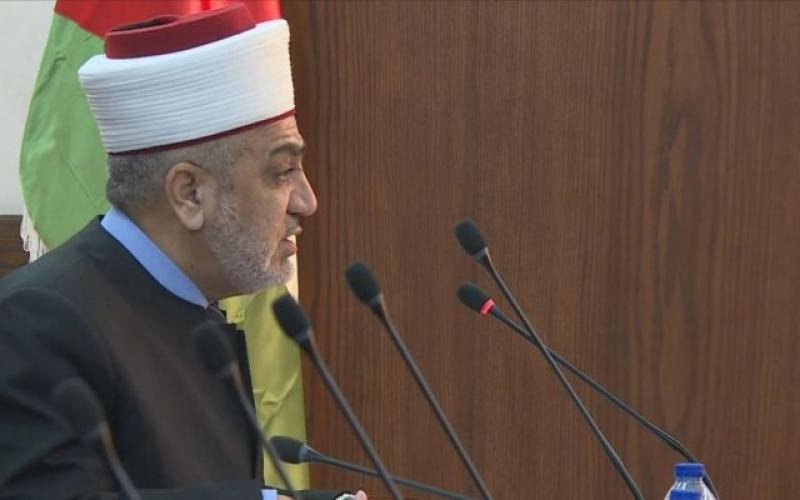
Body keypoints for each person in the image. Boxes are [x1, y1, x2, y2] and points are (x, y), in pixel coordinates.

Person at [0, 4, 366, 499]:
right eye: (283, 172)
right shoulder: (37, 321)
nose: (307, 201)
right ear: (190, 194)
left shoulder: (194, 309)